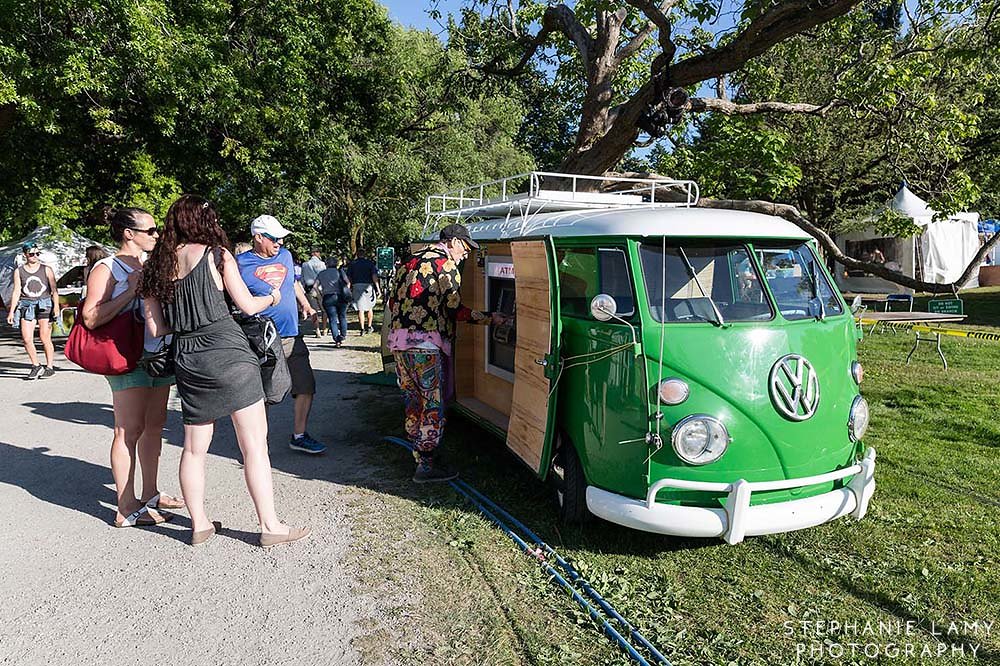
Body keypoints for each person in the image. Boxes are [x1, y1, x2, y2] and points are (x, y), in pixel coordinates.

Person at [142, 195, 308, 547]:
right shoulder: (218, 256)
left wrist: (187, 322)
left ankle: (199, 524)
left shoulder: (156, 266)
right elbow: (247, 306)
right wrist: (273, 299)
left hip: (189, 358)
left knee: (193, 448)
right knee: (253, 447)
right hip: (229, 352)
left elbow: (156, 329)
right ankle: (269, 526)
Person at [79, 208, 184, 527]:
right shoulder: (106, 267)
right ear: (129, 233)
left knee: (155, 425)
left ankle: (149, 494)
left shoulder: (153, 264)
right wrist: (129, 292)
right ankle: (125, 507)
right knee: (128, 430)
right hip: (127, 357)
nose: (156, 235)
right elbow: (90, 317)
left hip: (159, 354)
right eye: (150, 230)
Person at [387, 224, 501, 483]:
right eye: (465, 247)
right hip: (426, 347)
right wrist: (490, 318)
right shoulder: (446, 266)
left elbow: (393, 302)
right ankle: (427, 465)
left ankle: (418, 454)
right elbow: (454, 310)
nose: (467, 254)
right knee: (432, 404)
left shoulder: (409, 262)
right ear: (452, 242)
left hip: (399, 344)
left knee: (413, 401)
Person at [236, 215, 326, 455]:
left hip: (291, 335)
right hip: (261, 340)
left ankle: (299, 435)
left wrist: (306, 304)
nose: (279, 243)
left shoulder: (285, 256)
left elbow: (293, 282)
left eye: (281, 239)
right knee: (263, 394)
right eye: (274, 238)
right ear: (258, 237)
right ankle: (257, 447)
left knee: (306, 386)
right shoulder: (239, 264)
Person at [6, 242, 60, 379]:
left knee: (44, 337)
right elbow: (16, 291)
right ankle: (36, 365)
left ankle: (50, 366)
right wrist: (11, 311)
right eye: (31, 254)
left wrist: (56, 307)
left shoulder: (46, 269)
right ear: (25, 255)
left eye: (37, 253)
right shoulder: (19, 271)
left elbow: (54, 289)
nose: (35, 256)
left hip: (44, 303)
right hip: (26, 305)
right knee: (26, 338)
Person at [314, 261, 351, 347]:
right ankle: (343, 335)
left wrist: (320, 295)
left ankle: (336, 339)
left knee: (332, 318)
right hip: (340, 297)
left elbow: (315, 286)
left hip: (328, 297)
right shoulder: (340, 272)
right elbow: (348, 282)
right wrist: (346, 291)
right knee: (342, 316)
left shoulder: (322, 273)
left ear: (327, 265)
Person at [347, 250, 379, 335]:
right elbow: (374, 276)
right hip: (368, 286)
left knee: (360, 309)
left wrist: (348, 289)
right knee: (369, 307)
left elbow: (349, 278)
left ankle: (362, 328)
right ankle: (369, 326)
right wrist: (378, 288)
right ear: (364, 255)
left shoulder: (352, 264)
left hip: (356, 285)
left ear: (357, 254)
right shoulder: (370, 263)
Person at [301, 249, 327, 338]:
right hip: (320, 288)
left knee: (313, 310)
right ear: (317, 253)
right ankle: (324, 329)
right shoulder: (322, 264)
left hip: (310, 289)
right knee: (324, 310)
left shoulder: (305, 264)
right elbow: (325, 276)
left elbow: (302, 279)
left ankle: (317, 330)